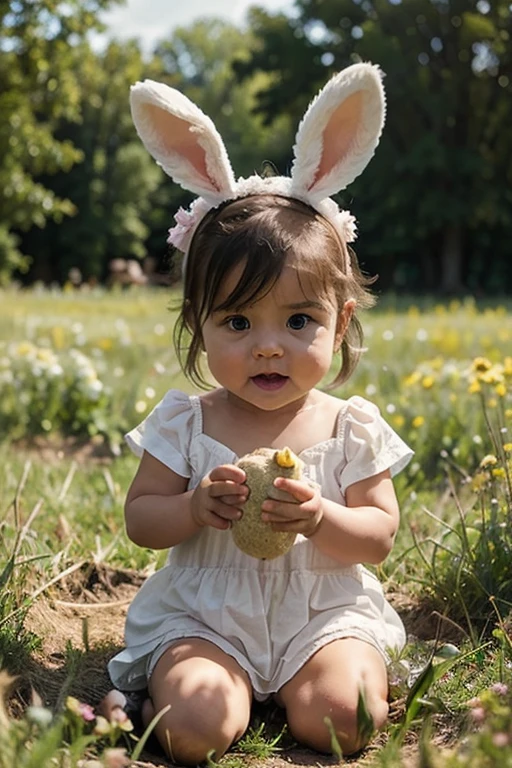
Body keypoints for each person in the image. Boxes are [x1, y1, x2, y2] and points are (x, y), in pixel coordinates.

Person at [106, 62, 413, 765]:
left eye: (299, 320)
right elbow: (140, 521)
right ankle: (167, 694)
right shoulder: (187, 421)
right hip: (207, 619)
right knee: (195, 727)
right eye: (238, 323)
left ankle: (326, 680)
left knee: (344, 718)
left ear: (340, 326)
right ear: (199, 325)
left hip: (322, 616)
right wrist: (192, 507)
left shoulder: (349, 425)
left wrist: (320, 519)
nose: (268, 347)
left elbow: (378, 535)